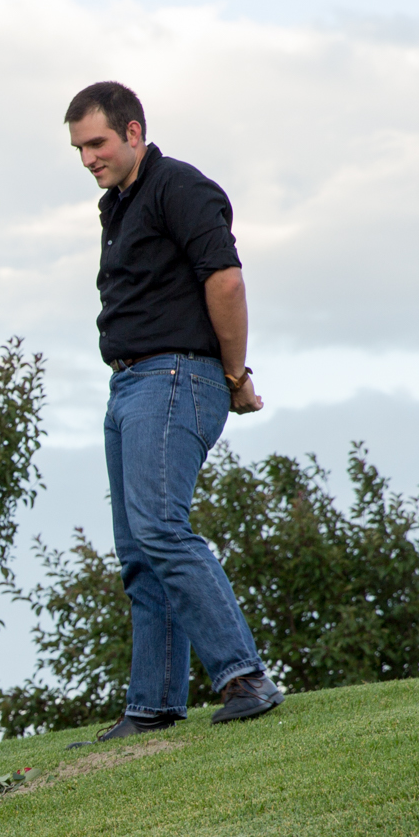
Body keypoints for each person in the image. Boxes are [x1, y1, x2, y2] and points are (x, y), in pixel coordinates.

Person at [66, 80, 284, 740]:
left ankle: (244, 677)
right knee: (138, 549)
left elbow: (226, 280)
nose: (88, 159)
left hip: (173, 375)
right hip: (130, 384)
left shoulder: (178, 187)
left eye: (98, 143)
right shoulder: (121, 204)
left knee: (160, 529)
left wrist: (235, 374)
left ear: (134, 131)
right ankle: (153, 703)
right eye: (78, 148)